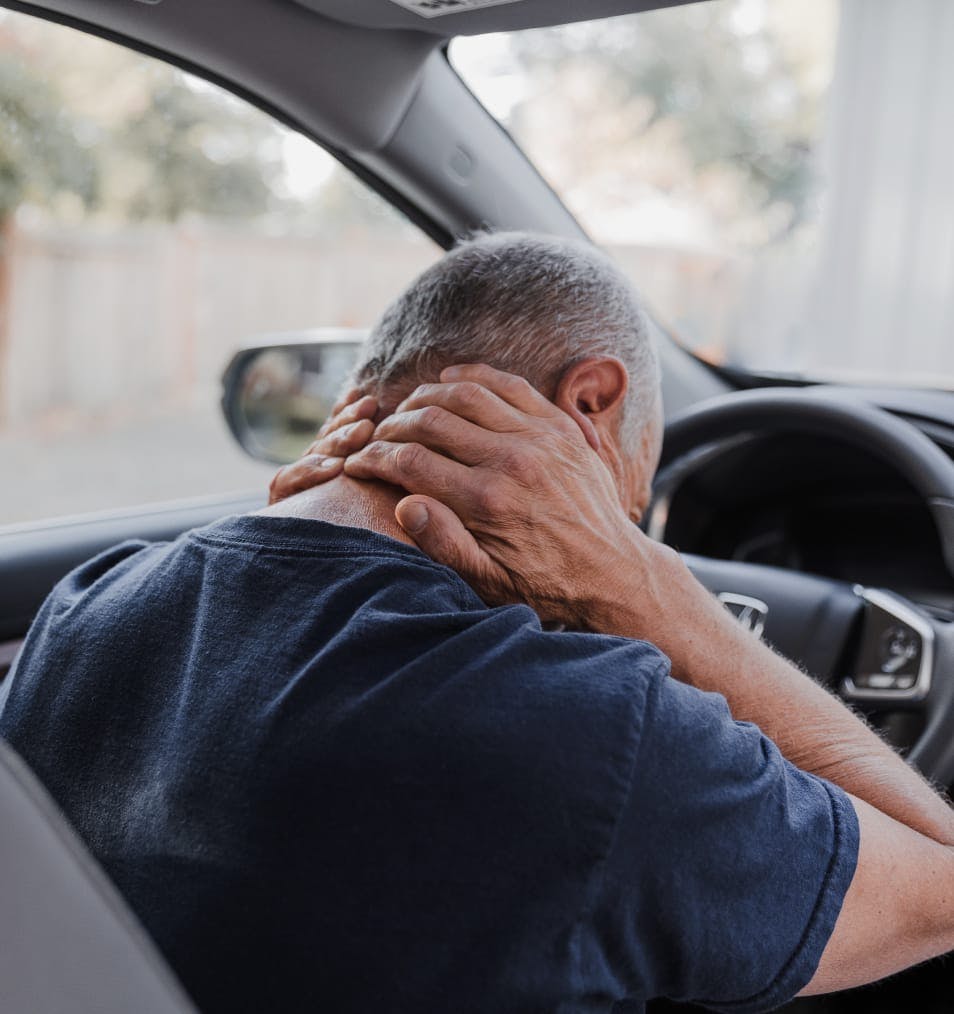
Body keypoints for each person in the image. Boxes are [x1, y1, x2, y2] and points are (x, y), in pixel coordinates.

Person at [1, 233, 952, 1014]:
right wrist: (644, 589)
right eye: (631, 496)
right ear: (591, 404)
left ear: (353, 407)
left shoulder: (91, 608)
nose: (621, 530)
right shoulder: (597, 738)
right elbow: (939, 888)